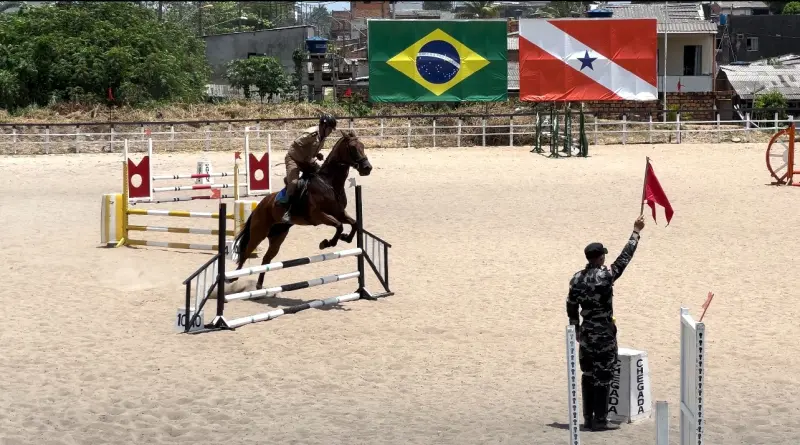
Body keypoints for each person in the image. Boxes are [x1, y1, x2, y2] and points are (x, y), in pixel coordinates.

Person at [566, 215, 645, 431]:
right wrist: (636, 233)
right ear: (600, 258)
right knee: (603, 377)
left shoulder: (576, 279)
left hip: (586, 333)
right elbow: (624, 259)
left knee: (587, 376)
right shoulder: (606, 276)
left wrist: (576, 329)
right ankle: (600, 420)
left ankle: (588, 418)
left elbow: (571, 306)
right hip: (604, 334)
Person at [278, 113, 338, 223]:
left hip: (306, 161)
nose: (330, 132)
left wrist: (317, 154)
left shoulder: (322, 136)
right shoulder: (312, 133)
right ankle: (287, 210)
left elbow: (311, 148)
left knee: (322, 176)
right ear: (324, 126)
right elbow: (296, 145)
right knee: (294, 183)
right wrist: (307, 157)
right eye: (329, 129)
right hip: (293, 159)